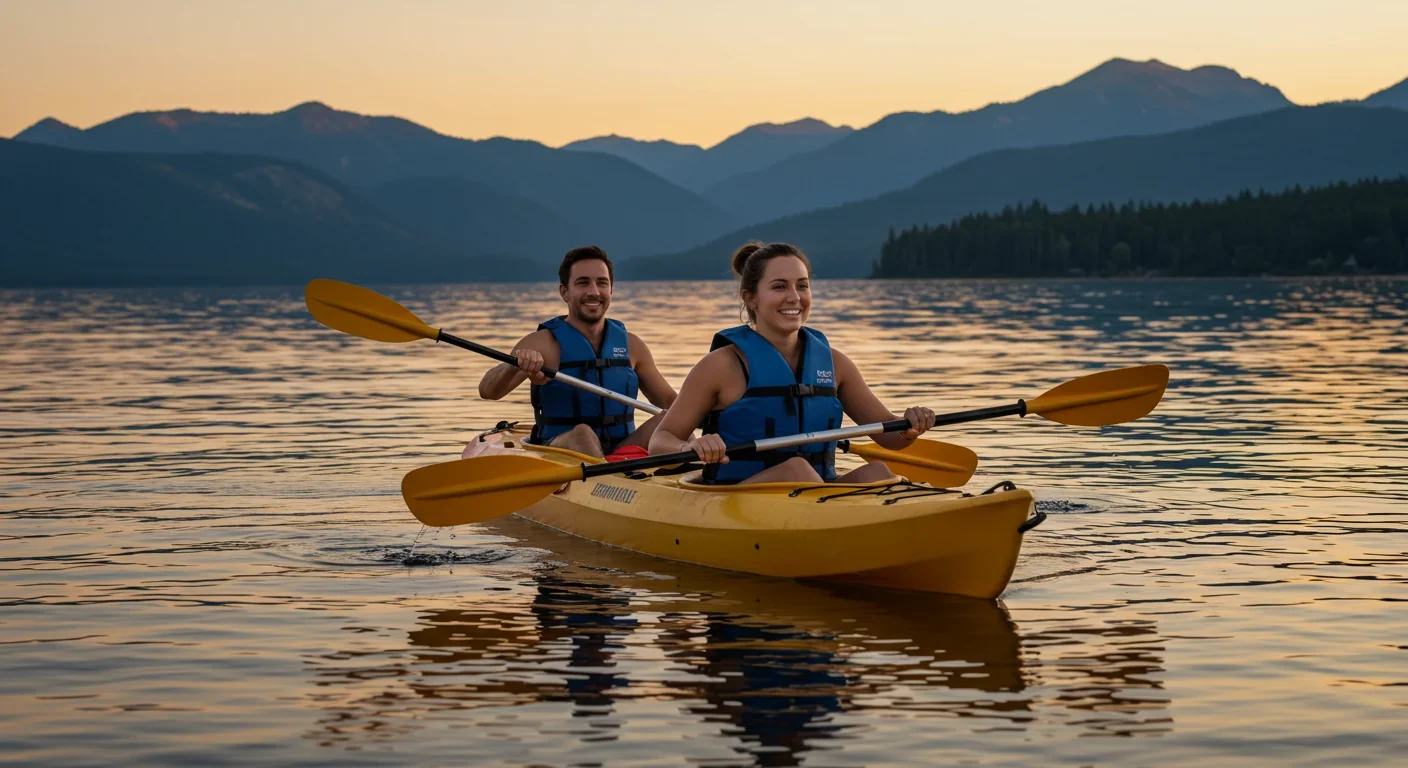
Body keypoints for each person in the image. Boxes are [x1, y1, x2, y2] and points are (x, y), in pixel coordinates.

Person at [649, 241, 936, 484]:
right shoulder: (720, 366)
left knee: (877, 472)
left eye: (802, 286)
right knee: (796, 469)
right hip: (740, 496)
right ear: (751, 299)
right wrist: (691, 445)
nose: (794, 297)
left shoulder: (836, 364)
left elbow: (891, 437)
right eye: (779, 287)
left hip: (813, 496)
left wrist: (910, 425)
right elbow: (661, 440)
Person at [478, 246, 676, 459]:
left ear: (611, 290)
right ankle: (605, 479)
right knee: (583, 434)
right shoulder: (542, 344)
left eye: (602, 283)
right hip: (561, 448)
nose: (594, 291)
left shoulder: (632, 345)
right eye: (583, 283)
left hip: (621, 452)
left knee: (669, 420)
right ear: (564, 292)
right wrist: (513, 365)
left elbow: (669, 400)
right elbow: (489, 391)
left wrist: (710, 414)